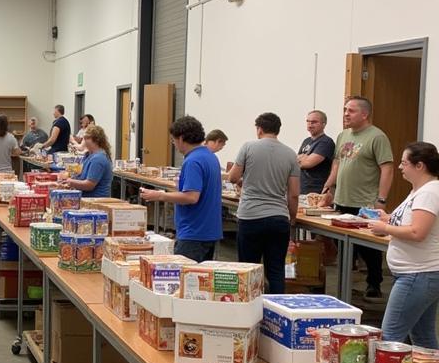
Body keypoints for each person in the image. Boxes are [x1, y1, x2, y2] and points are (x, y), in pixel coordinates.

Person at [320, 96, 394, 298]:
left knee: (367, 248)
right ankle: (348, 282)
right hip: (342, 199)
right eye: (345, 110)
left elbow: (387, 168)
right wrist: (329, 186)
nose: (345, 114)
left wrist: (381, 199)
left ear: (364, 114)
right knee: (343, 245)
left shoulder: (377, 137)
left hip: (365, 202)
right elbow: (337, 163)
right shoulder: (343, 136)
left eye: (350, 111)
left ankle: (374, 283)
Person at [366, 142, 439, 347]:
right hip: (420, 273)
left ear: (420, 166)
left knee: (390, 337)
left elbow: (417, 232)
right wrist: (388, 218)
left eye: (404, 163)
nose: (400, 167)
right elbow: (412, 221)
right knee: (423, 337)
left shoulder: (428, 193)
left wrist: (384, 228)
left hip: (417, 274)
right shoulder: (419, 191)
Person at [227, 112, 300, 294]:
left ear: (259, 129)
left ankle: (249, 312)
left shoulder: (248, 147)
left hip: (250, 216)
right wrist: (291, 218)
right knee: (276, 271)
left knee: (248, 269)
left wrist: (245, 182)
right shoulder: (291, 154)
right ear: (278, 130)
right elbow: (294, 194)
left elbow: (233, 177)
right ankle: (277, 315)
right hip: (278, 219)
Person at [140, 116, 222, 262]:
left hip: (194, 233)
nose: (174, 145)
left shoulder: (192, 161)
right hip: (209, 231)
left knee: (183, 279)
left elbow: (191, 197)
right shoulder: (210, 157)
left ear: (181, 138)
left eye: (173, 140)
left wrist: (159, 195)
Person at [61, 124, 112, 198]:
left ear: (96, 140)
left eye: (86, 138)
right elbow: (81, 175)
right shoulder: (88, 155)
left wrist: (70, 182)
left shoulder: (98, 159)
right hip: (86, 197)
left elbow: (89, 185)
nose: (83, 141)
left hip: (95, 200)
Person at [297, 109, 335, 196]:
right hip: (301, 188)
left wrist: (303, 158)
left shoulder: (325, 142)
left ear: (324, 124)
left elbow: (307, 163)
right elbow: (295, 161)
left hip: (316, 191)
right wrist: (301, 158)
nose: (310, 125)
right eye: (308, 121)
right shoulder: (306, 141)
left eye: (314, 122)